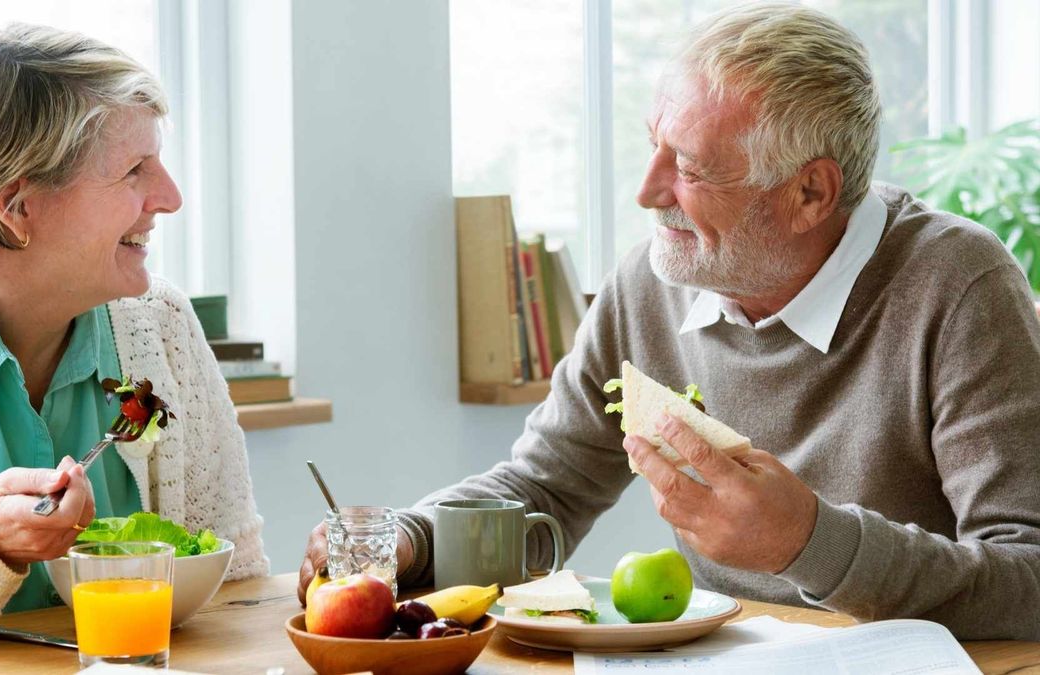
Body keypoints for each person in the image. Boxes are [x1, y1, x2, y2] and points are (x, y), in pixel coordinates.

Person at [299, 3, 1040, 641]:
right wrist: (410, 537)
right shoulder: (651, 282)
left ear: (811, 193)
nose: (648, 191)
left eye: (688, 167)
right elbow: (545, 487)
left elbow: (1028, 578)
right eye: (653, 145)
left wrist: (808, 542)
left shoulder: (959, 285)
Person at [0, 24, 268, 644]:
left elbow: (236, 586)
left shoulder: (164, 327)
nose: (170, 197)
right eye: (134, 170)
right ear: (16, 208)